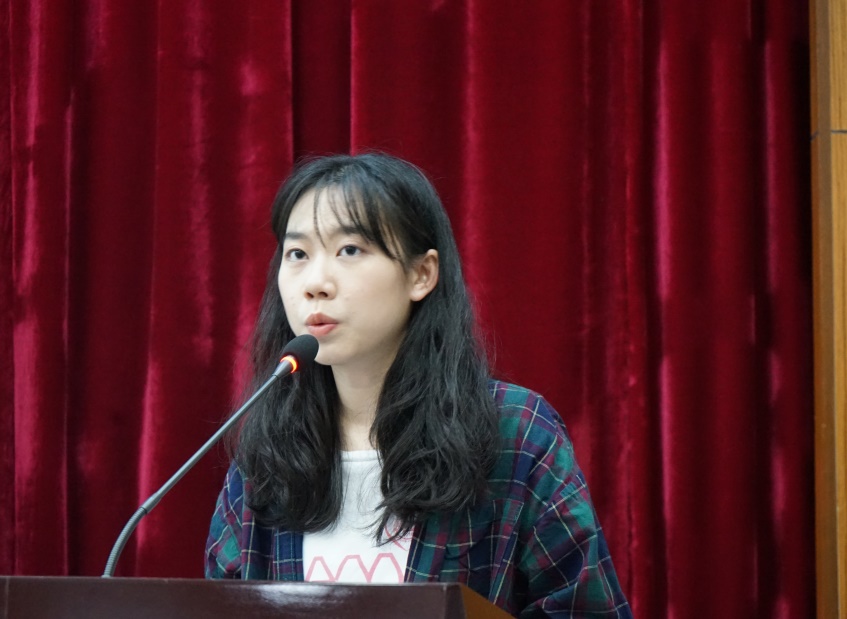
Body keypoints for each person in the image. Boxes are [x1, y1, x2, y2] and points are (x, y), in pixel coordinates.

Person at [205, 152, 633, 618]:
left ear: (421, 275)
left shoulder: (516, 436)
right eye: (298, 254)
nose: (315, 283)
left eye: (350, 250)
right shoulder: (266, 453)